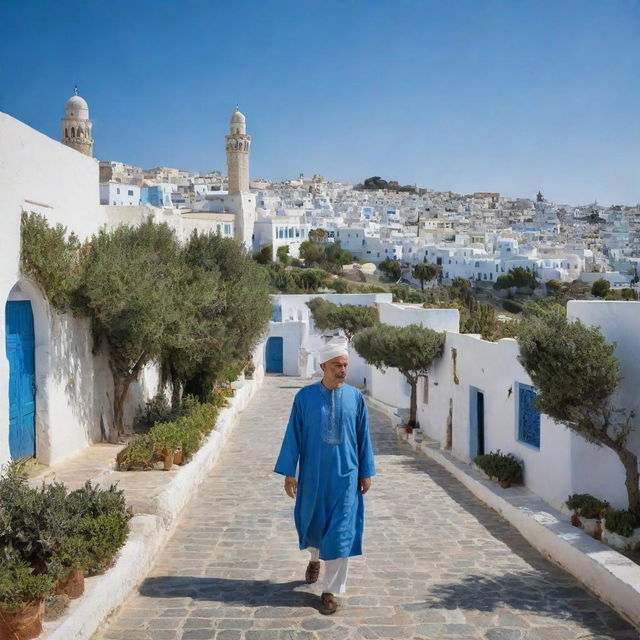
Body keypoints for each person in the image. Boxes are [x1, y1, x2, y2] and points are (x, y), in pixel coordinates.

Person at [274, 336, 376, 615]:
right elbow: (293, 435)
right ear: (323, 366)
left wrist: (365, 472)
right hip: (313, 477)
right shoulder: (304, 398)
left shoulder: (355, 398)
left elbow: (363, 437)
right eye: (336, 365)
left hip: (346, 477)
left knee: (342, 533)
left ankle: (331, 591)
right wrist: (288, 473)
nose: (342, 370)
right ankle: (315, 557)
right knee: (313, 523)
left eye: (345, 365)